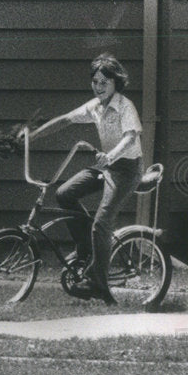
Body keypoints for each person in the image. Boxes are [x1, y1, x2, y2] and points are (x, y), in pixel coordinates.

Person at [27, 54, 143, 304]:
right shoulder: (95, 106)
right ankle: (86, 252)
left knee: (101, 223)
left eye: (104, 82)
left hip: (127, 169)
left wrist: (110, 156)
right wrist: (34, 136)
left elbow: (131, 137)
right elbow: (66, 120)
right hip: (106, 166)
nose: (98, 87)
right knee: (64, 193)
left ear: (116, 83)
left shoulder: (125, 106)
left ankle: (98, 284)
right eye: (95, 81)